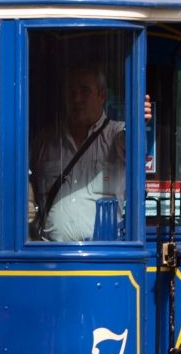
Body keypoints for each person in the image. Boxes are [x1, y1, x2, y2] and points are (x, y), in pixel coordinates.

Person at [29, 65, 126, 242]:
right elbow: (24, 178)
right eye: (71, 92)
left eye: (84, 91)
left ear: (102, 96)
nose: (77, 99)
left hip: (105, 257)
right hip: (49, 255)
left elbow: (132, 145)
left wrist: (140, 123)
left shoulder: (116, 133)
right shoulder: (45, 140)